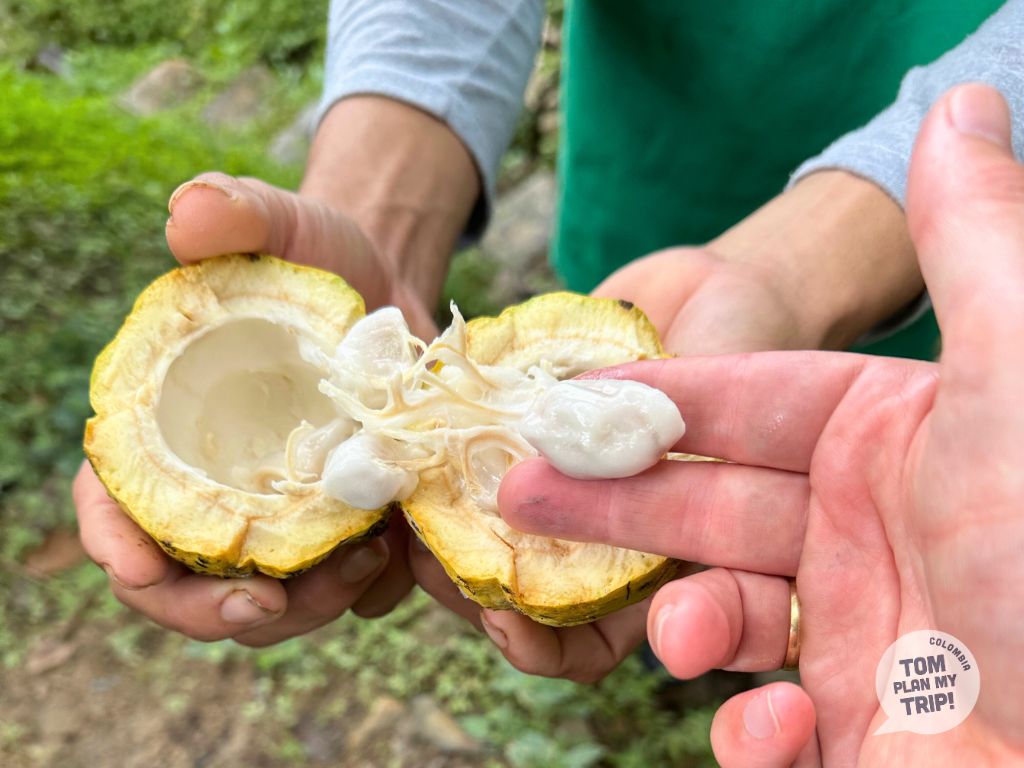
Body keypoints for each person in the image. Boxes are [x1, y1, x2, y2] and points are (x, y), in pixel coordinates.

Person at [73, 1, 1024, 675]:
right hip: (649, 199)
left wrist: (799, 267)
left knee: (893, 556)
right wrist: (376, 220)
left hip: (975, 319)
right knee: (718, 601)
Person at [496, 84, 1024, 766]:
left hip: (883, 385)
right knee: (693, 595)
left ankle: (698, 646)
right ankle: (681, 654)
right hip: (642, 172)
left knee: (720, 581)